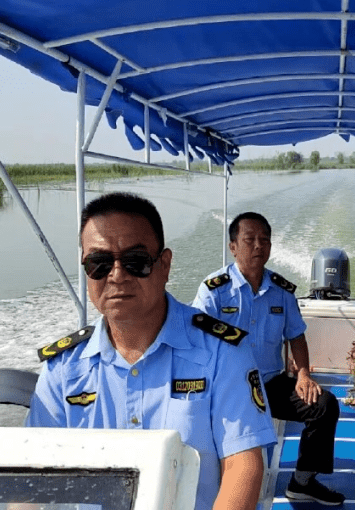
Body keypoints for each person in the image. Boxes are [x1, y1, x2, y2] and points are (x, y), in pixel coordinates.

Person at [27, 192, 277, 510]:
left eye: (136, 262)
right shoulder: (62, 369)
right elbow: (34, 479)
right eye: (99, 264)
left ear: (164, 265)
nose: (117, 275)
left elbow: (242, 466)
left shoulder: (223, 353)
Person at [193, 212, 345, 506]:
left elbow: (296, 337)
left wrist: (303, 375)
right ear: (233, 246)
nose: (258, 246)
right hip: (226, 387)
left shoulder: (281, 291)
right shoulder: (213, 290)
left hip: (269, 383)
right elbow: (198, 341)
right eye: (249, 240)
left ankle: (302, 481)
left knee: (324, 405)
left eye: (264, 240)